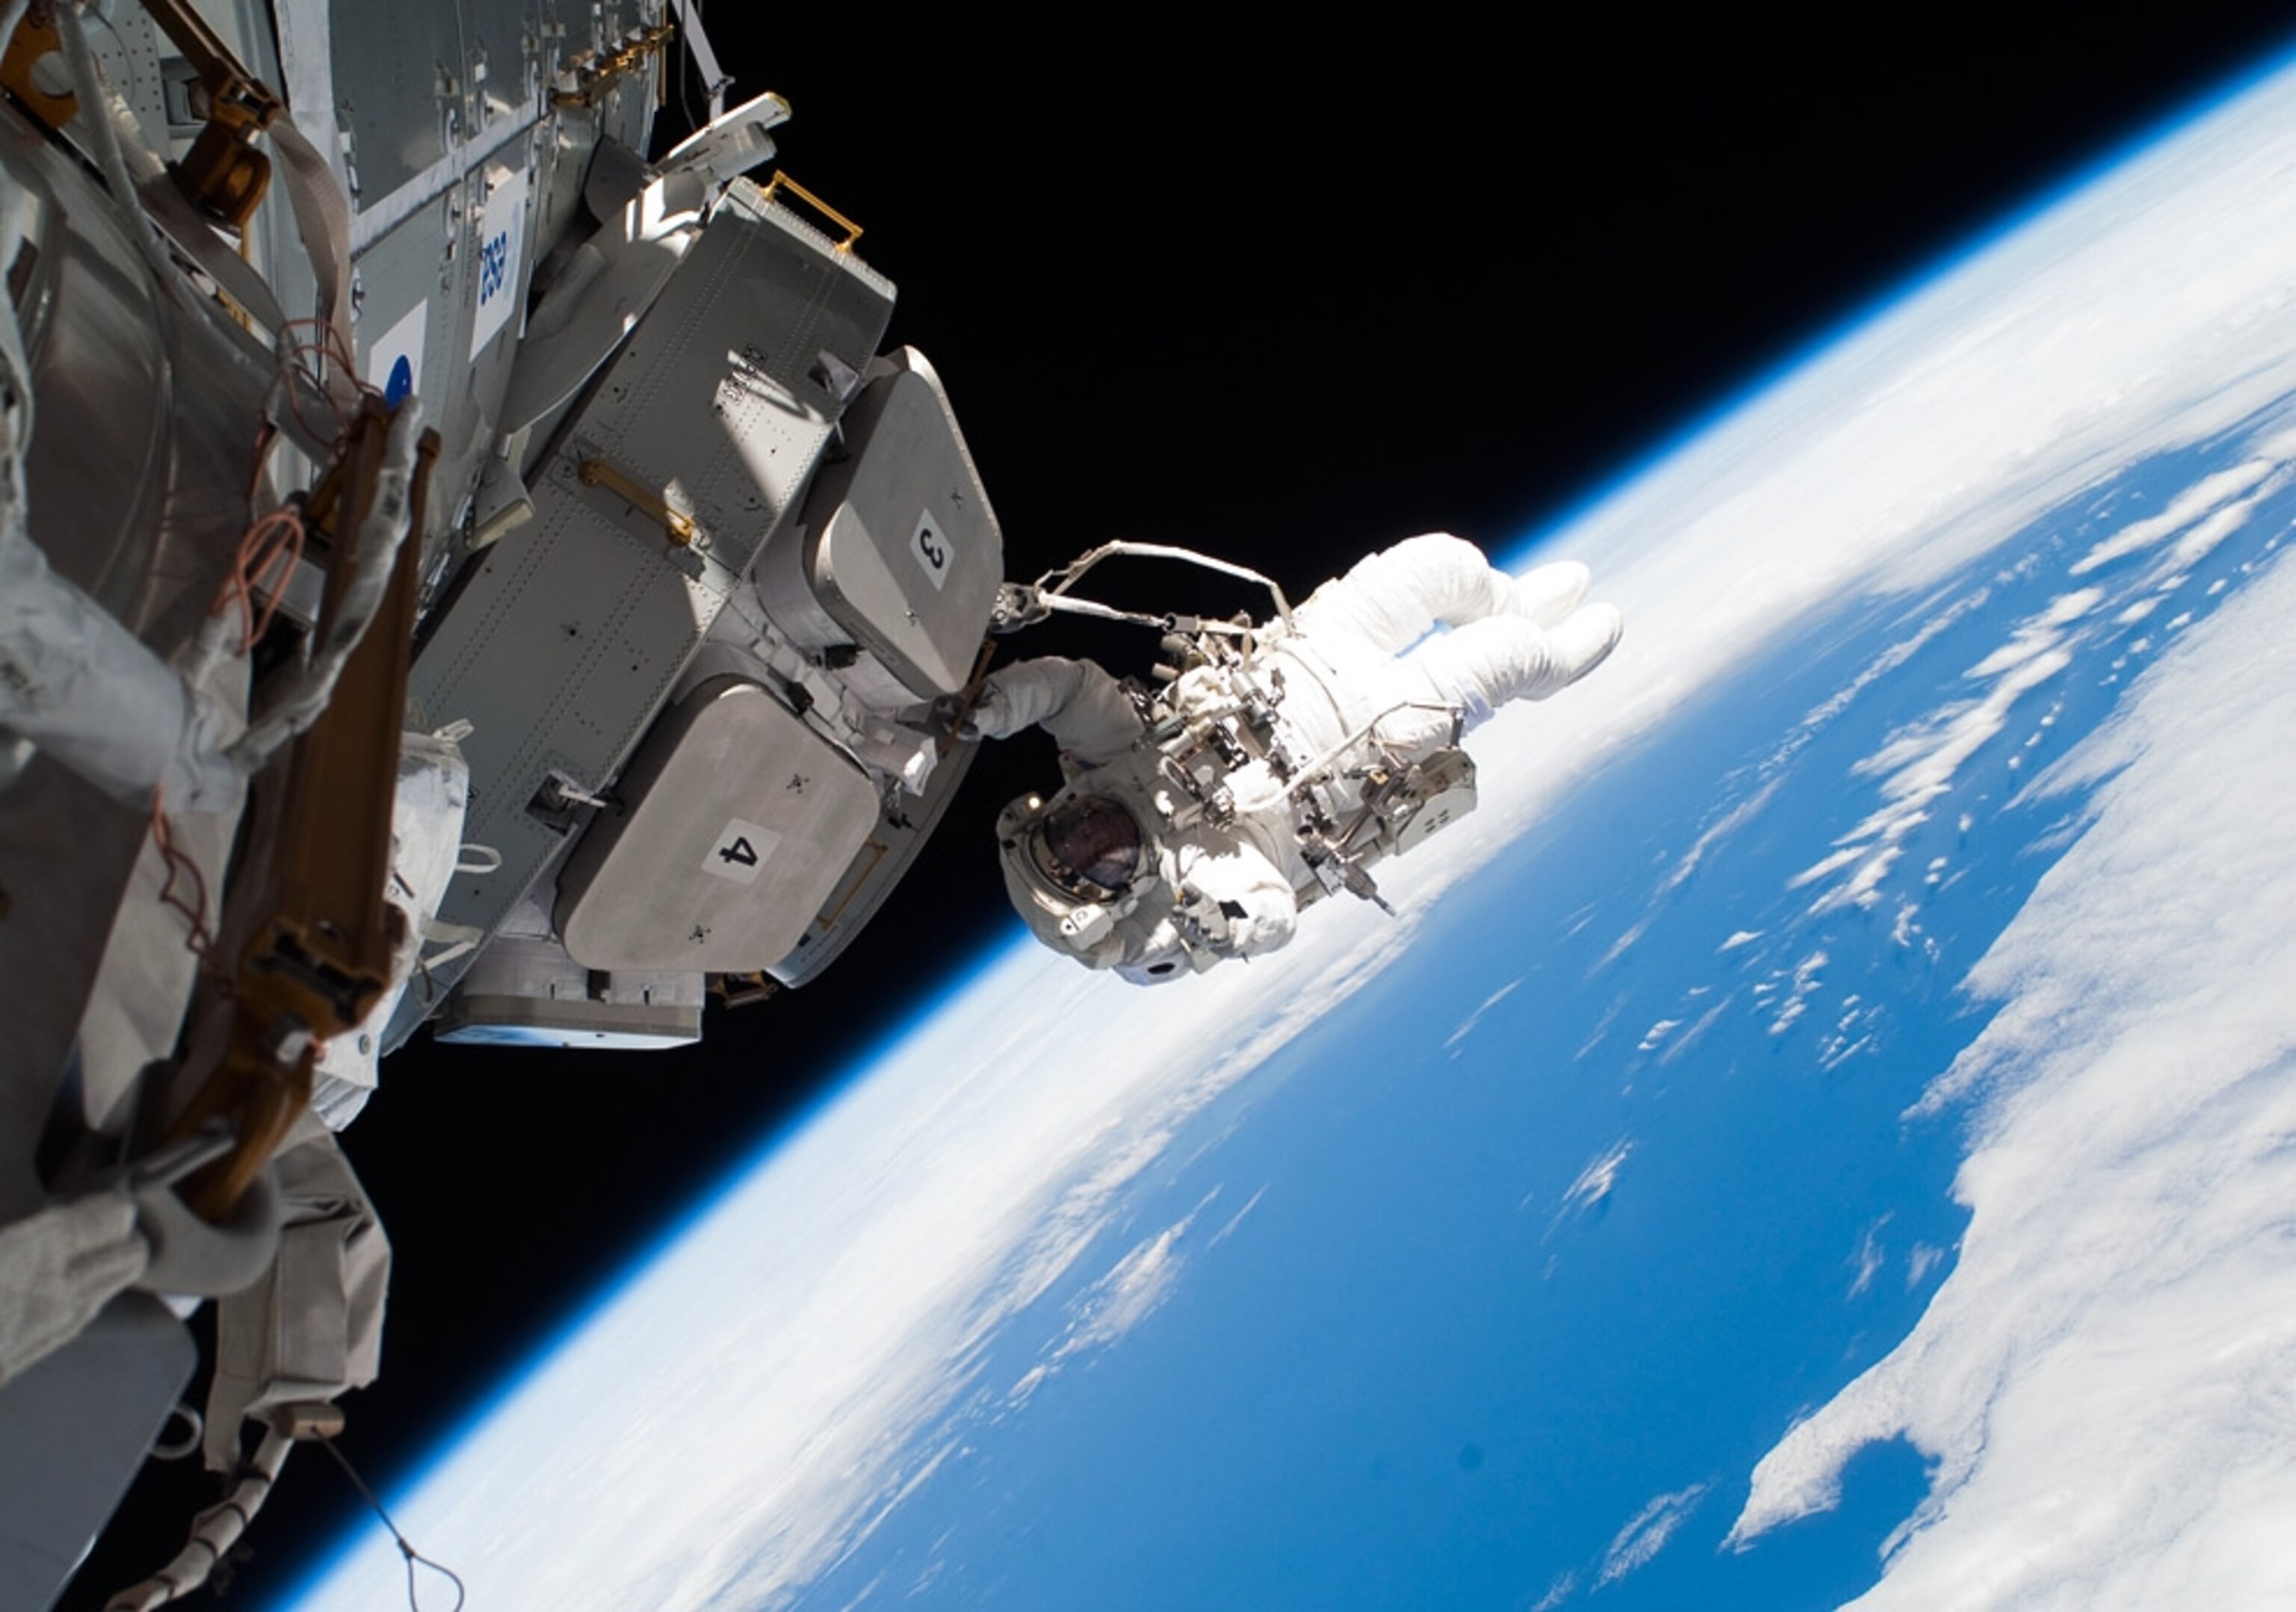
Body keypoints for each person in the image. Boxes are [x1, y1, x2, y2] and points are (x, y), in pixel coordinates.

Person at [974, 534, 1623, 982]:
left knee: (1443, 562)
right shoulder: (1196, 877)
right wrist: (1224, 923)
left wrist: (994, 706)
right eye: (1095, 863)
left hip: (1308, 653)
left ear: (1054, 811)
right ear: (1123, 894)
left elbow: (1068, 689)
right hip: (1370, 736)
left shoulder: (1109, 757)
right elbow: (1271, 912)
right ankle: (1554, 660)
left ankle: (1514, 604)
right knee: (1510, 654)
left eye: (1067, 834)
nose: (1093, 834)